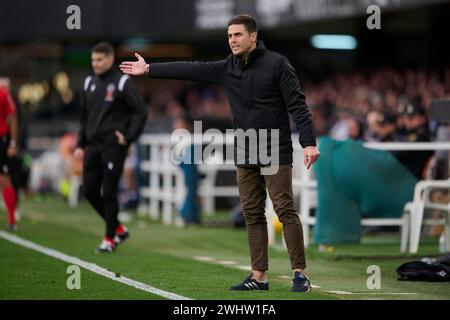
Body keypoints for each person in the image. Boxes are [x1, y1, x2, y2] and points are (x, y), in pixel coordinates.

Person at [120, 14, 320, 292]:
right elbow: (191, 69)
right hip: (245, 148)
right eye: (229, 36)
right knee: (252, 213)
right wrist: (150, 69)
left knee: (284, 210)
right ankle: (259, 276)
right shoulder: (228, 67)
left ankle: (300, 274)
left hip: (275, 147)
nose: (233, 40)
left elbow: (298, 105)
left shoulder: (277, 64)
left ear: (253, 36)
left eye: (238, 35)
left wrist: (309, 143)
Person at [74, 42, 147, 253]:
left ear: (110, 59)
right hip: (93, 146)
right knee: (89, 191)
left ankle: (109, 239)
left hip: (114, 146)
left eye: (99, 60)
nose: (95, 64)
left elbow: (140, 112)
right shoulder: (88, 82)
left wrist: (129, 137)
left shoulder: (123, 82)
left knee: (109, 191)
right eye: (93, 60)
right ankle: (118, 228)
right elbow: (84, 117)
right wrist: (80, 144)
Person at [0, 77, 19, 231]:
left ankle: (12, 219)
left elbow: (12, 119)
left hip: (1, 140)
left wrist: (13, 142)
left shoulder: (3, 94)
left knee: (5, 179)